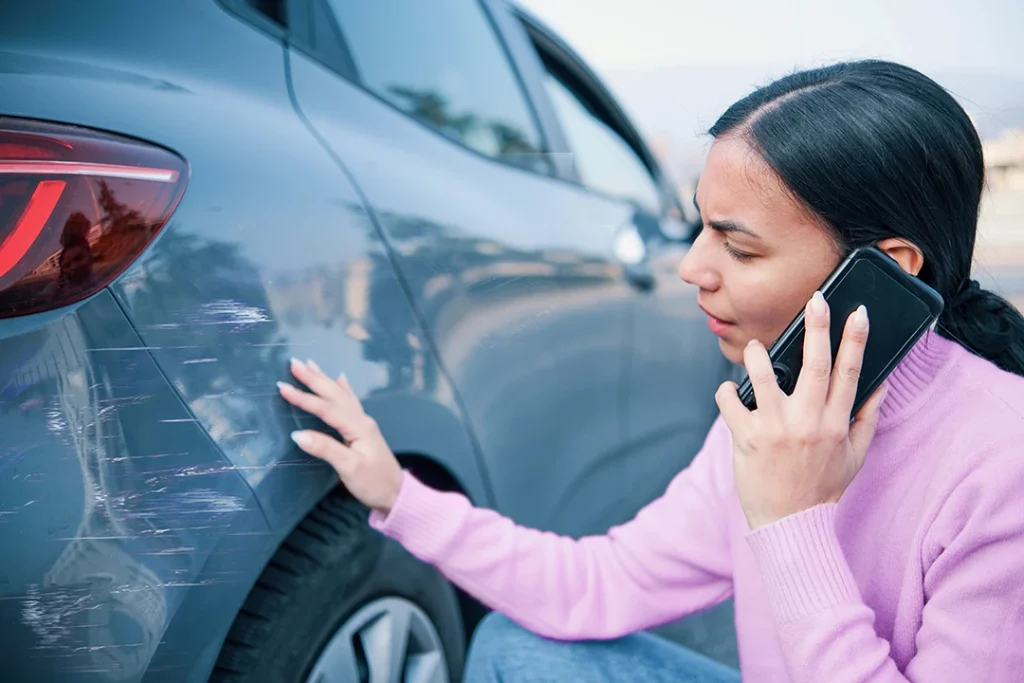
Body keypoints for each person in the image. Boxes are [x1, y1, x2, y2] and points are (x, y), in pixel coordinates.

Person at [276, 59, 1024, 682]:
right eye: (699, 224)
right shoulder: (768, 412)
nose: (693, 267)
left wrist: (793, 518)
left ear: (883, 271)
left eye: (739, 246)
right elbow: (599, 585)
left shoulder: (1001, 460)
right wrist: (401, 495)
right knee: (517, 647)